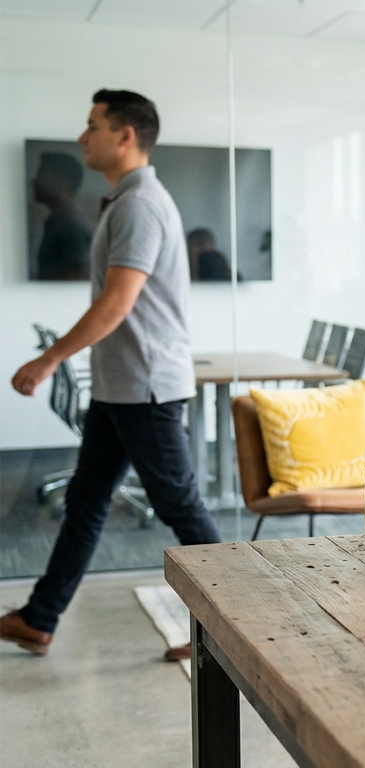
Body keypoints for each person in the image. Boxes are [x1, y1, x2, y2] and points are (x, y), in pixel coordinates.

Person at [3, 90, 222, 660]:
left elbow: (116, 304)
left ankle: (234, 629)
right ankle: (39, 617)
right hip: (121, 386)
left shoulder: (139, 206)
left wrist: (50, 359)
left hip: (144, 388)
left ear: (126, 136)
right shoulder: (124, 202)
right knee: (87, 499)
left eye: (93, 125)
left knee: (180, 508)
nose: (82, 137)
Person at [32, 151, 93, 280]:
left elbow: (78, 273)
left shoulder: (71, 226)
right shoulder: (59, 221)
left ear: (61, 183)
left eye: (41, 176)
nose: (34, 181)